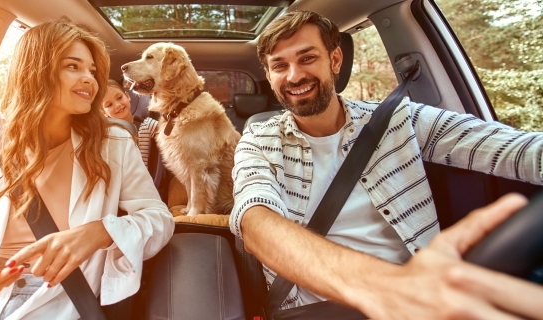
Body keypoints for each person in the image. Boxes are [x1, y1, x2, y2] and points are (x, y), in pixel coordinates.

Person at [231, 10, 543, 319]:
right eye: (279, 66)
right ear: (270, 77)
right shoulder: (259, 140)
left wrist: (407, 289)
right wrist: (386, 287)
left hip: (425, 296)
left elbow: (510, 148)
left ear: (335, 59)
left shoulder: (398, 119)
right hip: (316, 309)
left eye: (307, 58)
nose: (295, 75)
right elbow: (255, 220)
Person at [0, 20, 174, 319]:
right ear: (36, 71)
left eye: (92, 71)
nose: (90, 80)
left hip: (60, 298)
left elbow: (159, 220)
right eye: (73, 66)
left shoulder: (113, 145)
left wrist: (100, 231)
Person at [102, 79, 158, 168]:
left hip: (143, 178)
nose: (117, 105)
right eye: (109, 105)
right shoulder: (109, 135)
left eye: (119, 98)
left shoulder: (146, 124)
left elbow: (169, 132)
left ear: (127, 96)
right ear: (103, 113)